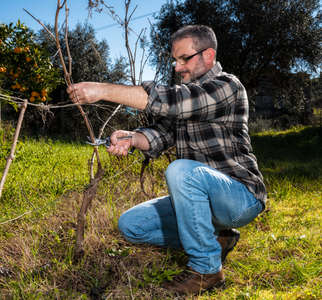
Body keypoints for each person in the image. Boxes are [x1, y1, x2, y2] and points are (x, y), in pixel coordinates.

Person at [67, 25, 266, 295]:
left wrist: (102, 89)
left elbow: (173, 102)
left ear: (208, 55)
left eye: (184, 58)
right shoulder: (187, 95)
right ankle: (219, 239)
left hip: (239, 197)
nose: (176, 66)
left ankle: (206, 268)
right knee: (132, 225)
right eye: (175, 59)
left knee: (181, 170)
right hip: (200, 200)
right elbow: (161, 135)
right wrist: (132, 138)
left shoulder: (227, 87)